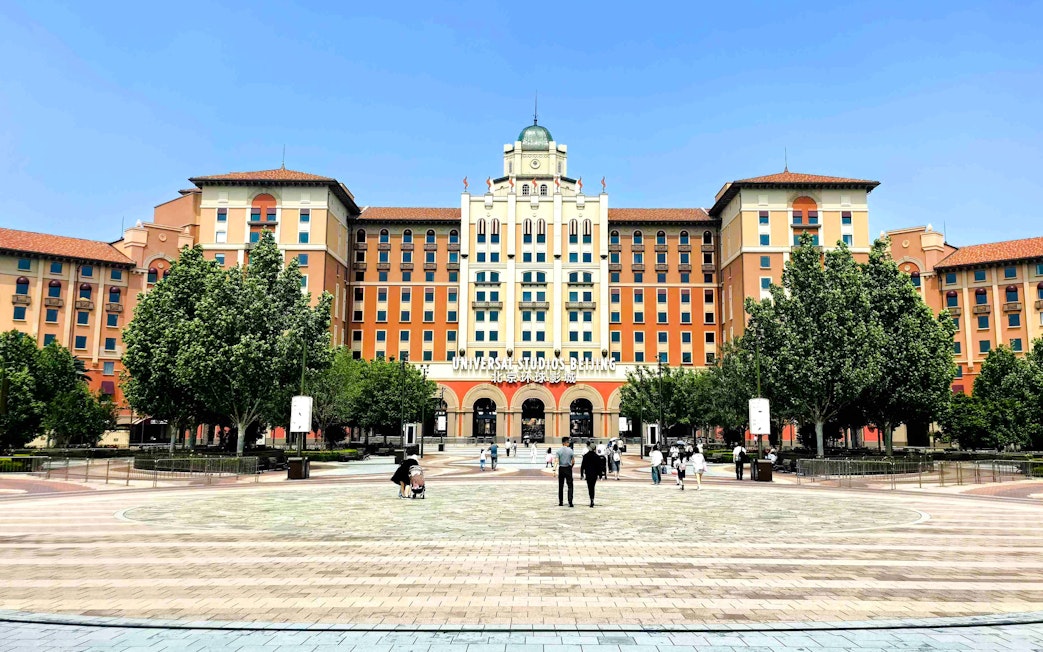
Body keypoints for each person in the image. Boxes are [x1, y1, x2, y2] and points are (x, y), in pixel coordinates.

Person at [580, 440, 605, 508]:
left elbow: (582, 466)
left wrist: (582, 474)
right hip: (594, 474)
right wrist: (600, 475)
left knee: (589, 487)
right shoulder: (597, 456)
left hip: (588, 474)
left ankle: (591, 498)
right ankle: (592, 499)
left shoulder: (585, 456)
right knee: (593, 486)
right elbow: (599, 467)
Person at [555, 437, 576, 507]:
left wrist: (554, 469)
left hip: (561, 468)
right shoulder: (570, 450)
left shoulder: (558, 451)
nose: (569, 443)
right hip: (568, 468)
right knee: (570, 485)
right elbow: (573, 461)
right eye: (568, 442)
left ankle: (561, 502)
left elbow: (556, 461)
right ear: (565, 443)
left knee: (561, 486)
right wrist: (571, 466)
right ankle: (570, 501)